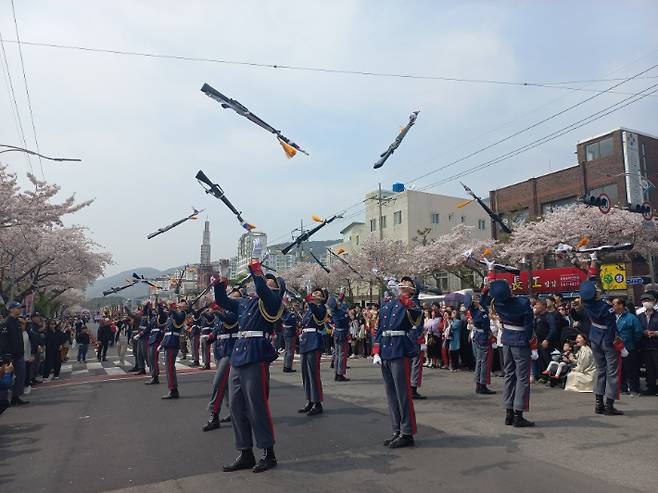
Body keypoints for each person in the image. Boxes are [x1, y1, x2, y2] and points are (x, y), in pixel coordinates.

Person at [213, 258, 283, 474]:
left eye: (271, 283)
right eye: (265, 280)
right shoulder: (244, 302)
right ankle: (245, 451)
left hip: (255, 353)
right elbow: (222, 300)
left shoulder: (271, 302)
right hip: (239, 354)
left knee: (256, 405)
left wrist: (256, 268)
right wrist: (222, 279)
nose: (265, 283)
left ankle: (268, 452)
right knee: (236, 405)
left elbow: (262, 288)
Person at [481, 279, 535, 427]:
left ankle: (509, 413)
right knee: (522, 378)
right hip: (520, 340)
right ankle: (519, 414)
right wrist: (532, 344)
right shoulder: (522, 303)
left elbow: (483, 299)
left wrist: (488, 284)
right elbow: (529, 327)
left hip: (506, 339)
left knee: (509, 376)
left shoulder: (496, 303)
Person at [376, 277, 422, 449]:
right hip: (386, 350)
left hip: (399, 349)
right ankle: (396, 430)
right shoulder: (389, 304)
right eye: (401, 282)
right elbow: (380, 328)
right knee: (391, 394)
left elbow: (416, 317)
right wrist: (376, 351)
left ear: (412, 290)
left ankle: (407, 432)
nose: (402, 285)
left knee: (403, 394)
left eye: (407, 284)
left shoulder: (412, 303)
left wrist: (401, 296)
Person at [579, 274, 624, 415]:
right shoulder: (607, 308)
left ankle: (598, 404)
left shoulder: (587, 303)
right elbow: (611, 329)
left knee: (600, 370)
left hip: (594, 338)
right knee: (612, 372)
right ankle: (609, 405)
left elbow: (588, 286)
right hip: (606, 340)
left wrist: (593, 264)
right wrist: (615, 344)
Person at [202, 300, 239, 431]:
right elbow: (218, 329)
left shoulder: (235, 312)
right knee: (227, 386)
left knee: (218, 383)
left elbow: (227, 319)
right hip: (221, 351)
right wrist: (211, 337)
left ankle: (214, 415)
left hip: (231, 351)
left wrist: (215, 309)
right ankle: (233, 412)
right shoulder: (222, 314)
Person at [298, 287, 328, 415]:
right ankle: (310, 399)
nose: (314, 294)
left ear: (321, 298)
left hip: (314, 341)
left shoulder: (321, 308)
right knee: (305, 373)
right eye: (314, 292)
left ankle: (317, 402)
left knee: (313, 373)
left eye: (318, 293)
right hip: (305, 341)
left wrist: (309, 300)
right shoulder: (309, 310)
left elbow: (318, 314)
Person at [613, 297, 643, 396]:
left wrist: (631, 342)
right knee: (620, 370)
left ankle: (634, 389)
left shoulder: (631, 317)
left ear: (621, 305)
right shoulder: (612, 317)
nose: (612, 306)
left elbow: (638, 332)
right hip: (615, 347)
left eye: (614, 304)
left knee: (631, 369)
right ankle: (623, 388)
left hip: (629, 347)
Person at [467, 293, 496, 395]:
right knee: (484, 362)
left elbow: (483, 297)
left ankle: (479, 385)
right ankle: (482, 384)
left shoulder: (480, 307)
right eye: (475, 299)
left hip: (480, 336)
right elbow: (483, 322)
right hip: (482, 337)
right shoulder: (475, 311)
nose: (478, 300)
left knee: (480, 361)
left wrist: (485, 286)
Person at [161, 301, 188, 399]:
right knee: (169, 367)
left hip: (172, 342)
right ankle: (172, 389)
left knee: (170, 367)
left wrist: (173, 309)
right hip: (168, 341)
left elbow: (178, 318)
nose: (179, 304)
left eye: (182, 303)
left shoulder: (182, 314)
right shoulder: (173, 315)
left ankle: (173, 390)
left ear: (185, 307)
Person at [2, 302, 28, 406]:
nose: (20, 309)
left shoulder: (17, 321)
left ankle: (15, 397)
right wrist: (6, 355)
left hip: (19, 354)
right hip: (10, 355)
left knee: (20, 376)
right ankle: (4, 400)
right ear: (11, 309)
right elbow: (4, 341)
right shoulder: (5, 323)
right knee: (7, 378)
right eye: (18, 308)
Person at [638, 291, 658, 396]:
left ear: (654, 301)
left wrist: (655, 333)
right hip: (645, 346)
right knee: (649, 369)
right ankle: (651, 388)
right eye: (644, 301)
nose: (646, 302)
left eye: (648, 300)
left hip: (656, 346)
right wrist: (643, 332)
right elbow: (637, 329)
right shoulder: (640, 316)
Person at [328, 292, 350, 382]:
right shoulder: (340, 312)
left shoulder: (334, 312)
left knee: (337, 354)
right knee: (341, 354)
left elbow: (339, 303)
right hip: (341, 333)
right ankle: (340, 374)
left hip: (337, 333)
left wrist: (340, 298)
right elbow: (346, 318)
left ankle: (337, 372)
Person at [145, 303, 166, 385]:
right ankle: (153, 376)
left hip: (157, 339)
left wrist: (159, 304)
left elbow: (161, 313)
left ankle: (155, 377)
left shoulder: (162, 316)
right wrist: (148, 307)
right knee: (150, 359)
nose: (156, 309)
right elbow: (149, 314)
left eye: (157, 308)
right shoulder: (154, 317)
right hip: (151, 339)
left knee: (153, 359)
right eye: (155, 308)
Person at [281, 304, 299, 373]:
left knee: (287, 350)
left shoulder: (283, 315)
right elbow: (294, 323)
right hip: (291, 332)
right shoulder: (290, 314)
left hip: (285, 332)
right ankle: (288, 366)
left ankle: (286, 365)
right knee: (290, 350)